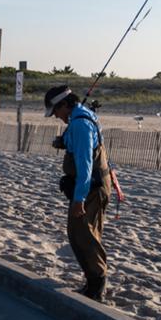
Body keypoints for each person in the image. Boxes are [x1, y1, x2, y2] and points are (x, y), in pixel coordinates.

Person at [45, 85, 112, 301]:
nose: (56, 116)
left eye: (56, 111)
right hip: (92, 186)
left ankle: (97, 284)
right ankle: (92, 282)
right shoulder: (80, 118)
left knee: (82, 233)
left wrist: (78, 199)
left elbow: (85, 167)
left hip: (91, 187)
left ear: (64, 105)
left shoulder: (81, 124)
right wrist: (65, 142)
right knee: (82, 232)